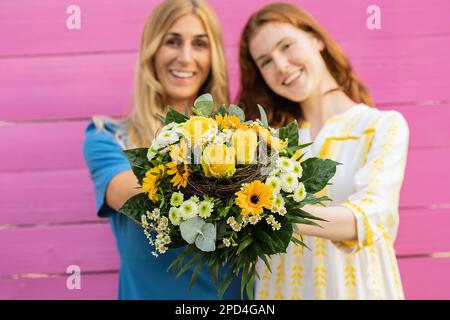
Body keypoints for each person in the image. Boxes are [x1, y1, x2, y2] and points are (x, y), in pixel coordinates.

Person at [237, 3, 409, 300]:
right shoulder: (266, 141)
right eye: (265, 61)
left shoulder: (381, 127)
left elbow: (371, 217)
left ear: (315, 38)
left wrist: (275, 213)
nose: (280, 65)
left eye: (286, 46)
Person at [83, 0, 240, 299]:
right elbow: (140, 195)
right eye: (172, 41)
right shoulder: (107, 138)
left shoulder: (242, 140)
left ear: (213, 56)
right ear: (151, 50)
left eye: (200, 44)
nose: (185, 57)